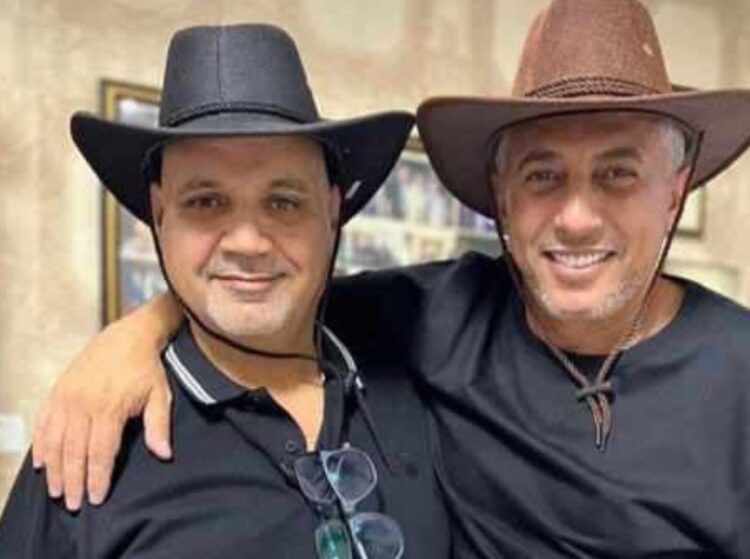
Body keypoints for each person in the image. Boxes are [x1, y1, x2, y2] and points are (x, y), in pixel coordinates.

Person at [22, 0, 750, 556]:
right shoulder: (435, 319)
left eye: (618, 174)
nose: (578, 218)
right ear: (501, 194)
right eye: (542, 175)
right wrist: (134, 334)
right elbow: (266, 295)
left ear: (675, 189)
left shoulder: (739, 371)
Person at [0, 24, 451, 558]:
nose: (247, 242)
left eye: (283, 202)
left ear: (332, 210)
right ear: (159, 213)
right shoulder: (89, 449)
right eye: (205, 202)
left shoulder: (419, 372)